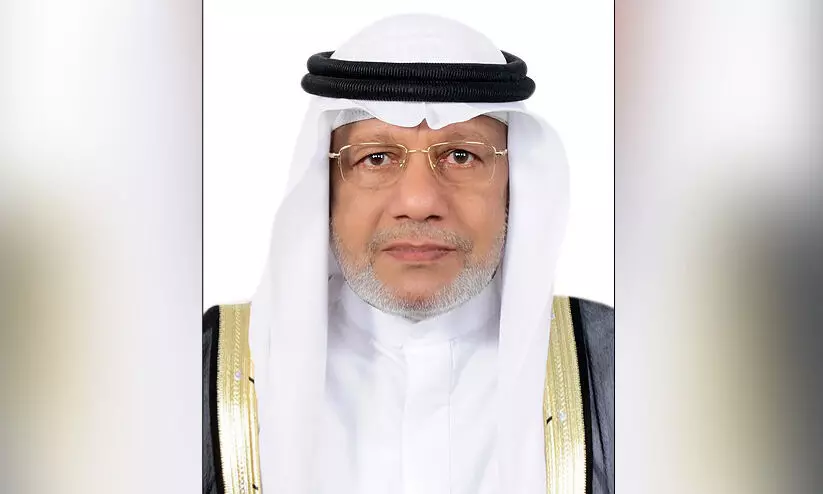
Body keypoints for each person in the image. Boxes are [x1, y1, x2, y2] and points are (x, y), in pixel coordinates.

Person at [203, 13, 614, 494]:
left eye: (461, 155)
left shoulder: (620, 371)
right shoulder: (201, 374)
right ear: (325, 186)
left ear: (514, 180)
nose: (418, 202)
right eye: (375, 158)